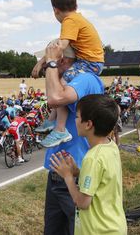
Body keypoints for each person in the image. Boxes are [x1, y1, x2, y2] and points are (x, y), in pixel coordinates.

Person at [42, 33, 104, 234]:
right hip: (58, 172)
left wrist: (51, 67)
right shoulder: (67, 79)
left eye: (50, 59)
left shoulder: (85, 79)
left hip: (74, 172)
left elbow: (55, 99)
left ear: (64, 59)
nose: (45, 65)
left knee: (76, 230)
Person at [32, 0, 104, 148]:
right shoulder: (77, 19)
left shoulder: (69, 20)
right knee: (61, 84)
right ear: (76, 6)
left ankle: (60, 129)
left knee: (61, 87)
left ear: (55, 10)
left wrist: (42, 63)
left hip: (89, 63)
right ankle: (52, 121)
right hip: (91, 61)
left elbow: (61, 46)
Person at [50, 94, 126, 235]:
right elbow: (102, 178)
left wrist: (67, 177)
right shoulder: (111, 146)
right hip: (114, 226)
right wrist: (78, 172)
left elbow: (82, 203)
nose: (75, 120)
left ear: (88, 124)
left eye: (77, 117)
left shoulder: (92, 158)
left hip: (99, 230)